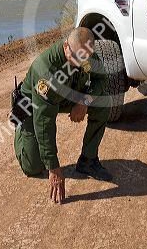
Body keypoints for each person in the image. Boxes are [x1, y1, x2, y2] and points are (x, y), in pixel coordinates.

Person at [13, 26, 113, 204]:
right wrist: (53, 167)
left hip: (65, 96)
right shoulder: (47, 71)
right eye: (75, 57)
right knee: (33, 168)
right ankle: (21, 129)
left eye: (84, 58)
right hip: (35, 105)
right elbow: (44, 122)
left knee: (104, 102)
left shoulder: (83, 52)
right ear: (66, 46)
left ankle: (88, 160)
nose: (79, 62)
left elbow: (101, 78)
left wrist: (84, 101)